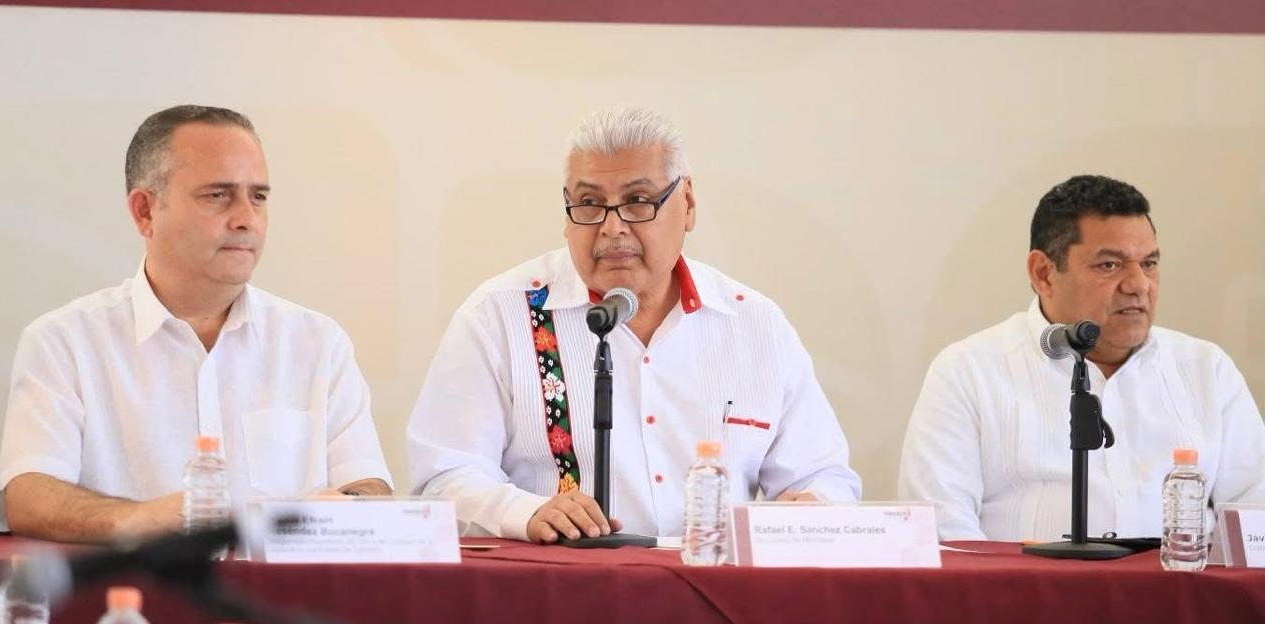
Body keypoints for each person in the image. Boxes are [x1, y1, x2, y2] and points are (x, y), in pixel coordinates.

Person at [407, 107, 861, 543]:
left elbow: (822, 476)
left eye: (638, 201)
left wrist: (813, 506)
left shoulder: (754, 324)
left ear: (687, 204)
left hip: (713, 584)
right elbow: (443, 476)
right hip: (557, 585)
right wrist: (524, 512)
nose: (612, 227)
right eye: (589, 204)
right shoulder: (500, 315)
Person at [0, 105, 392, 543]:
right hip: (135, 584)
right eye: (218, 195)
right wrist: (141, 520)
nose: (246, 219)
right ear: (145, 211)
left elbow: (368, 482)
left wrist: (348, 506)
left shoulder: (318, 342)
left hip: (281, 588)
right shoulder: (64, 342)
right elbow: (29, 495)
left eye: (258, 197)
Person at [899, 174, 1265, 541]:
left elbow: (1256, 521)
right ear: (1043, 274)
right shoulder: (968, 372)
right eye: (1109, 265)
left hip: (1180, 579)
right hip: (1020, 581)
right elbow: (943, 532)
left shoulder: (1206, 369)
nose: (1138, 284)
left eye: (1149, 263)